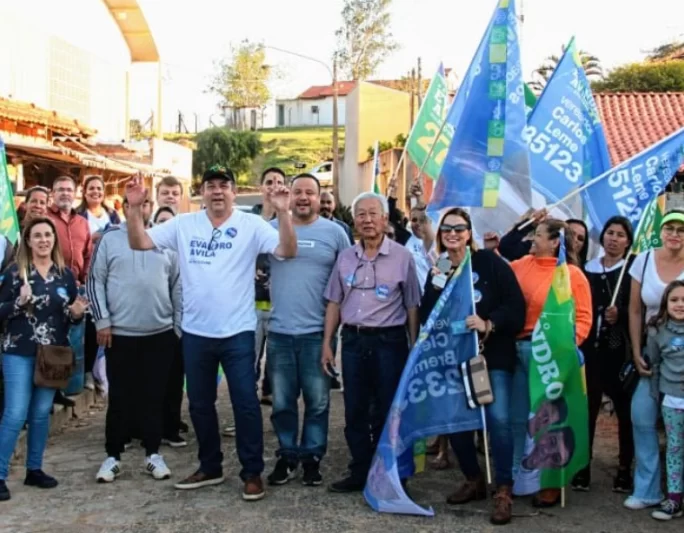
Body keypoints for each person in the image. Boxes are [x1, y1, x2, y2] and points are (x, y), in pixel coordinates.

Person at [124, 165, 296, 501]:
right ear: (202, 193)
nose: (217, 191)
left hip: (238, 332)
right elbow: (140, 241)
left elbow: (287, 251)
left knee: (245, 403)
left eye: (224, 185)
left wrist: (285, 212)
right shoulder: (185, 224)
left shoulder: (251, 225)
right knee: (200, 404)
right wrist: (133, 207)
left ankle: (252, 473)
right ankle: (210, 466)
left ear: (234, 191)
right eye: (211, 186)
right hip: (196, 333)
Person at [419, 208, 525, 525]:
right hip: (453, 359)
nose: (452, 233)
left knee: (499, 419)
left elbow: (515, 306)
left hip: (491, 357)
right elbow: (427, 314)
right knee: (458, 423)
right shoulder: (438, 269)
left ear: (469, 233)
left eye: (459, 228)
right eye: (446, 229)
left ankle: (504, 489)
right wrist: (436, 285)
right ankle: (473, 479)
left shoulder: (490, 263)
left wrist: (488, 323)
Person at [322, 191, 421, 493]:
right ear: (354, 221)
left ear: (385, 219)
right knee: (354, 409)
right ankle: (360, 470)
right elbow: (334, 302)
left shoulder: (403, 257)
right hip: (352, 341)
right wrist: (327, 342)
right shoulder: (346, 257)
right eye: (361, 214)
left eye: (372, 213)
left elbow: (412, 305)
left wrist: (414, 346)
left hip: (389, 342)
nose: (366, 219)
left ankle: (389, 471)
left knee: (387, 409)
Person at [89, 194, 182, 483]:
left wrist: (177, 327)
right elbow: (95, 281)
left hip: (160, 334)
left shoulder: (164, 239)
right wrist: (102, 321)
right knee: (120, 397)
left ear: (148, 208)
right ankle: (113, 456)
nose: (137, 210)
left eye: (142, 205)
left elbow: (178, 284)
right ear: (124, 208)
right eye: (131, 205)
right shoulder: (108, 240)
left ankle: (153, 454)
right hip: (119, 335)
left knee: (155, 396)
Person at [266, 174, 350, 487]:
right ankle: (288, 456)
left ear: (319, 198)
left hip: (319, 334)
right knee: (283, 403)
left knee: (318, 403)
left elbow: (345, 282)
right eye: (297, 191)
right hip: (279, 333)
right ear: (289, 196)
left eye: (310, 193)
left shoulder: (336, 233)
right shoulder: (270, 230)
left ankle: (312, 458)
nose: (303, 197)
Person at [0, 217, 88, 502]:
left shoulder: (64, 275)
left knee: (41, 413)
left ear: (54, 239)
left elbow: (71, 316)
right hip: (19, 351)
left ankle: (34, 469)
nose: (43, 240)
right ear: (27, 240)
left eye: (48, 235)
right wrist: (17, 303)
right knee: (15, 413)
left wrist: (76, 314)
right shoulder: (15, 273)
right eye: (37, 235)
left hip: (53, 354)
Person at [509, 219, 592, 507]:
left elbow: (583, 319)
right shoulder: (520, 265)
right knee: (520, 418)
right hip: (519, 352)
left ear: (556, 242)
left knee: (551, 421)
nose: (532, 239)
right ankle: (520, 475)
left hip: (551, 358)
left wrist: (567, 351)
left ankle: (551, 482)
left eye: (538, 235)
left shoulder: (572, 275)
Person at [626, 210, 684, 510]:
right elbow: (635, 310)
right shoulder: (644, 260)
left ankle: (677, 492)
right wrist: (636, 352)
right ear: (661, 232)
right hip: (650, 352)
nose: (675, 234)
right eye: (669, 228)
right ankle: (648, 489)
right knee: (642, 416)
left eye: (681, 229)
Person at [572, 216, 635, 493]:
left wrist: (618, 314)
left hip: (618, 350)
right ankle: (582, 465)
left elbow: (636, 309)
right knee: (587, 410)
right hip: (590, 350)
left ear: (628, 241)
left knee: (624, 412)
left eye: (620, 234)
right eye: (610, 232)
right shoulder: (587, 268)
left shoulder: (632, 270)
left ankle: (623, 469)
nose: (614, 238)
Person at [76, 175, 121, 392]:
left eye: (99, 188)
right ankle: (85, 373)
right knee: (87, 328)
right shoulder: (78, 215)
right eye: (91, 188)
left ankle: (101, 371)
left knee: (104, 325)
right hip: (86, 277)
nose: (95, 192)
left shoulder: (112, 215)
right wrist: (92, 238)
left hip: (109, 277)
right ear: (84, 192)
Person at [646, 280, 684, 520]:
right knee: (674, 448)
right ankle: (674, 500)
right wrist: (655, 395)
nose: (680, 304)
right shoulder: (657, 331)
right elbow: (655, 364)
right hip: (672, 400)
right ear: (665, 304)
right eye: (674, 300)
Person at [152, 206, 188, 442]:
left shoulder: (184, 252)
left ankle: (171, 426)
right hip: (152, 327)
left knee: (175, 381)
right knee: (152, 383)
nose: (165, 225)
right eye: (160, 221)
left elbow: (179, 294)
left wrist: (177, 327)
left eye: (169, 222)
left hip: (177, 327)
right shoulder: (147, 251)